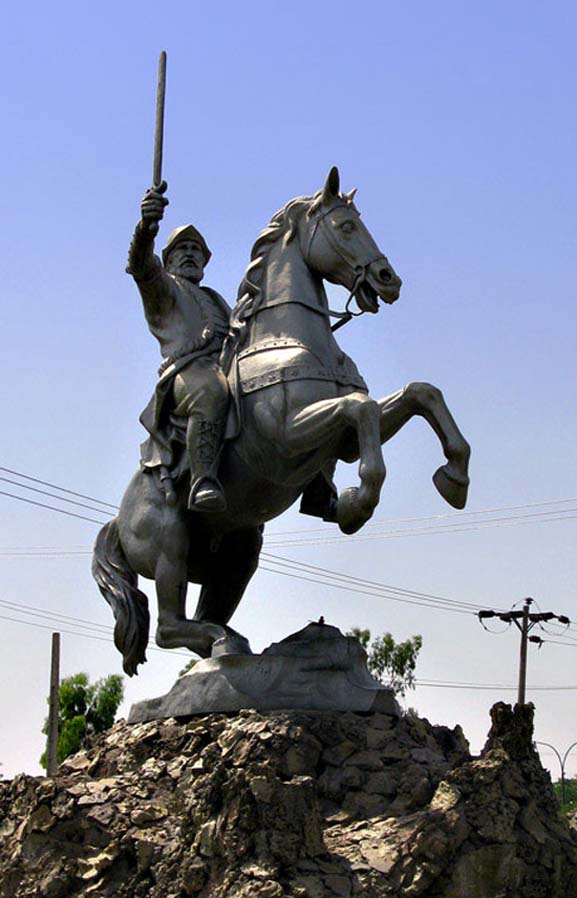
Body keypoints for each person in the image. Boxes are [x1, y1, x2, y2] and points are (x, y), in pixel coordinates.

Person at [127, 181, 231, 512]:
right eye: (181, 248)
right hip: (187, 374)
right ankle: (203, 480)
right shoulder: (163, 288)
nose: (190, 253)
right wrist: (147, 227)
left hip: (225, 367)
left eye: (196, 249)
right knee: (211, 391)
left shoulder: (216, 298)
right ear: (168, 261)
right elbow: (141, 266)